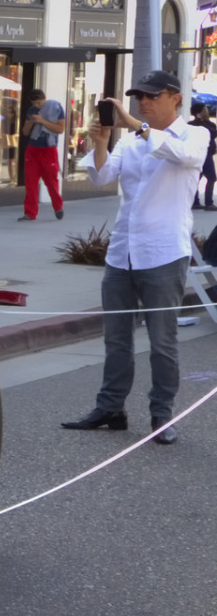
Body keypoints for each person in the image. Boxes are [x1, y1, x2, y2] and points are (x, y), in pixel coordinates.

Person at [60, 70, 204, 444]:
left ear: (175, 97)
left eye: (151, 96)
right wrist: (103, 142)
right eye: (139, 96)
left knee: (163, 341)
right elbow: (101, 175)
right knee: (116, 338)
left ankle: (161, 415)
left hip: (163, 252)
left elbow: (181, 156)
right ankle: (111, 408)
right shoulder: (133, 141)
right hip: (123, 252)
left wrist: (136, 126)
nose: (143, 102)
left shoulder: (195, 134)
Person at [18, 87, 66, 221]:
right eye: (34, 104)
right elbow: (26, 132)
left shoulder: (56, 108)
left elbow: (60, 129)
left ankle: (58, 206)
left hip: (48, 149)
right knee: (30, 182)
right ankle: (30, 212)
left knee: (51, 181)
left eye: (39, 103)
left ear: (44, 99)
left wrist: (42, 121)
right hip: (33, 149)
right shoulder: (31, 111)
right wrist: (32, 121)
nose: (36, 106)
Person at [190, 94, 217, 209]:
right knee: (204, 177)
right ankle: (204, 202)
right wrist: (201, 121)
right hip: (200, 154)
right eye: (205, 109)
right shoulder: (192, 125)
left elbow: (213, 134)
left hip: (207, 154)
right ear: (199, 112)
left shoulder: (210, 124)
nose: (207, 111)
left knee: (206, 178)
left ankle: (202, 202)